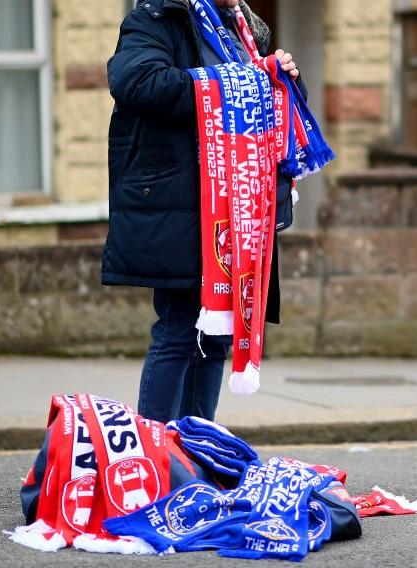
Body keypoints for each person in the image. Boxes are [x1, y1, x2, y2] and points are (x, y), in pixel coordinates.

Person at [103, 0, 302, 423]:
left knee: (215, 336)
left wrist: (274, 77)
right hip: (181, 203)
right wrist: (238, 82)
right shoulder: (156, 19)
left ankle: (199, 456)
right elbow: (137, 81)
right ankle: (154, 454)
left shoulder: (243, 31)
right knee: (178, 329)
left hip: (233, 207)